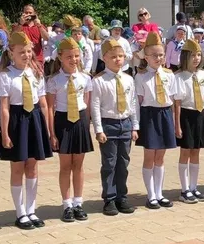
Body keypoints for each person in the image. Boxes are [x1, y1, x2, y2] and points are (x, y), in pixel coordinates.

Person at [0, 32, 53, 230]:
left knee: (33, 166)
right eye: (21, 52)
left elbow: (44, 103)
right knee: (18, 167)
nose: (27, 55)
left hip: (35, 119)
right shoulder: (5, 76)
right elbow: (4, 107)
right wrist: (5, 133)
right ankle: (20, 212)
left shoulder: (36, 73)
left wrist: (46, 129)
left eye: (29, 51)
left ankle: (31, 209)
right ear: (11, 52)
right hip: (17, 121)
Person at [46, 36, 93, 222]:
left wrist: (88, 127)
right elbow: (50, 107)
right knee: (65, 166)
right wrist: (52, 133)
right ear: (60, 57)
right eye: (69, 57)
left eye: (76, 56)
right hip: (63, 121)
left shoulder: (85, 78)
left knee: (79, 165)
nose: (74, 60)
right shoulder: (54, 81)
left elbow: (87, 104)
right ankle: (66, 204)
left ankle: (78, 203)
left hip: (80, 120)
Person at [91, 38, 139, 216]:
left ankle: (122, 196)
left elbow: (133, 103)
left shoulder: (128, 79)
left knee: (123, 162)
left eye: (120, 56)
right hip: (108, 124)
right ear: (104, 58)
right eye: (113, 57)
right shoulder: (99, 81)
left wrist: (135, 126)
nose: (118, 60)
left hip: (125, 123)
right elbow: (95, 106)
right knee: (109, 163)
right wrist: (98, 129)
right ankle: (109, 198)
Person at [134, 31, 177, 209]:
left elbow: (173, 101)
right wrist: (136, 125)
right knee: (149, 155)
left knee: (161, 156)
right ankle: (150, 194)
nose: (158, 58)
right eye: (154, 55)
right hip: (149, 115)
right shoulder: (141, 76)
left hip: (165, 114)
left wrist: (174, 122)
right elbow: (138, 103)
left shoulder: (169, 74)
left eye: (161, 54)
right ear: (146, 56)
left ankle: (159, 193)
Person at [173, 39, 204, 204]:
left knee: (196, 152)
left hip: (200, 115)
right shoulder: (179, 77)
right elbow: (177, 103)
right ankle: (184, 189)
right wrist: (177, 125)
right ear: (184, 57)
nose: (196, 59)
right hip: (186, 116)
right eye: (192, 55)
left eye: (198, 55)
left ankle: (194, 187)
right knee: (185, 152)